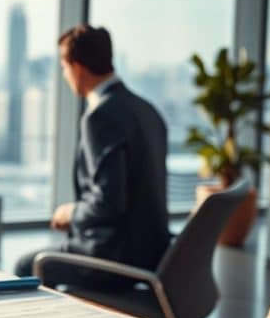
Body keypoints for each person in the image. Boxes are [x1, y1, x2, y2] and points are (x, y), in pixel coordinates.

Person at [15, 25, 171, 290]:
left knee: (26, 266)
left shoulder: (100, 117)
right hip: (154, 253)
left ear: (76, 68)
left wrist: (71, 212)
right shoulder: (147, 110)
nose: (64, 76)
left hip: (116, 256)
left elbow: (109, 202)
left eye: (63, 67)